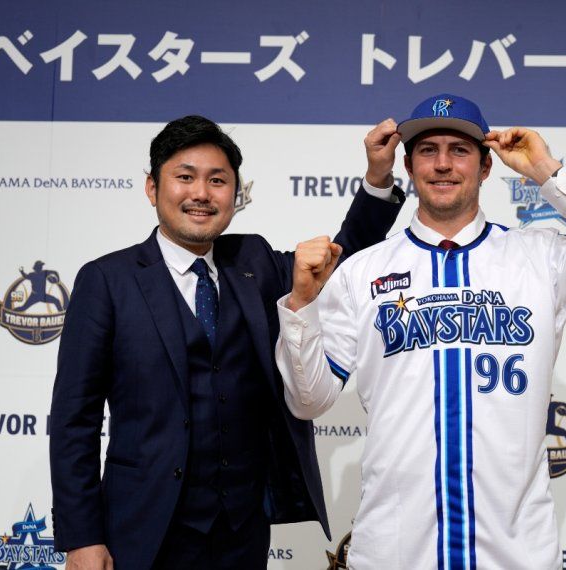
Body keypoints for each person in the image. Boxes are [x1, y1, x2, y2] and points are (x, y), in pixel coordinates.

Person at [275, 94, 566, 569]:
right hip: (395, 553)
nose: (442, 164)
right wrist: (301, 307)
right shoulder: (362, 270)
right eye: (428, 150)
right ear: (409, 166)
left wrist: (546, 171)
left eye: (459, 150)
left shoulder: (538, 256)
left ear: (485, 167)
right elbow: (308, 401)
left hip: (515, 554)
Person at [49, 115, 403, 570]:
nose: (201, 193)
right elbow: (73, 420)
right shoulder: (107, 280)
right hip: (138, 529)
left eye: (217, 180)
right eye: (184, 177)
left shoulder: (254, 262)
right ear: (152, 188)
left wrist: (376, 179)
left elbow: (344, 259)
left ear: (235, 195)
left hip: (241, 531)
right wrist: (82, 538)